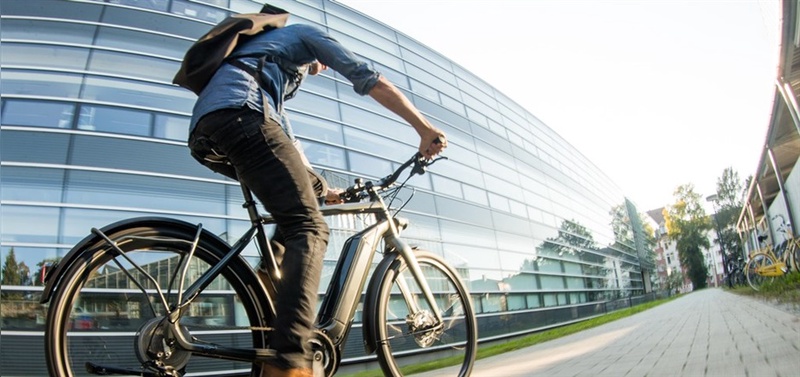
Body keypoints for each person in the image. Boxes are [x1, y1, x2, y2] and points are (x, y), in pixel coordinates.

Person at [187, 21, 447, 377]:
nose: (321, 66)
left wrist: (326, 191)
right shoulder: (305, 35)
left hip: (209, 131)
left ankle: (267, 290)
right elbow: (368, 78)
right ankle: (290, 362)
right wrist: (424, 128)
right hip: (242, 114)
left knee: (294, 209)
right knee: (310, 229)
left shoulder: (270, 69)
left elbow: (287, 147)